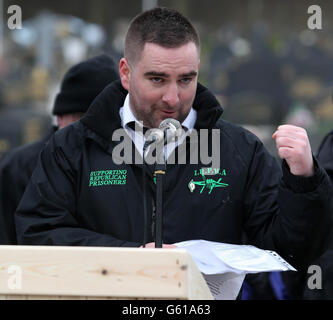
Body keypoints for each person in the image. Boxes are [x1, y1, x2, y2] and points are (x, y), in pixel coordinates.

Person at [15, 8, 332, 271]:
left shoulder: (238, 150)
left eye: (186, 79)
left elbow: (291, 252)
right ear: (126, 73)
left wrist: (304, 181)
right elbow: (38, 234)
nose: (173, 97)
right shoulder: (73, 147)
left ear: (198, 70)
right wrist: (131, 258)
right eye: (157, 79)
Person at [0, 54, 119, 244]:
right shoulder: (18, 168)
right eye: (80, 117)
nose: (88, 128)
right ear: (60, 118)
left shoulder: (128, 162)